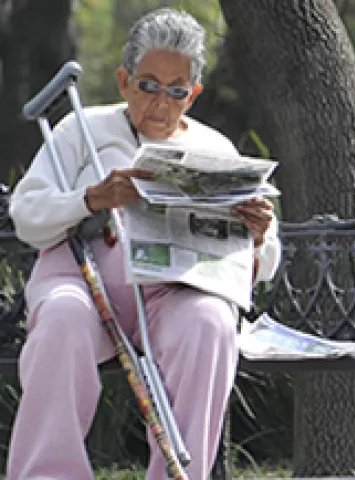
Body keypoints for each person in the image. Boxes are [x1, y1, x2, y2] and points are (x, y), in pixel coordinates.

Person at [7, 8, 281, 479]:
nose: (160, 102)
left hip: (172, 294)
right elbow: (28, 216)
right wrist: (92, 198)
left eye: (176, 90)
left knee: (211, 323)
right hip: (84, 282)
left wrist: (258, 235)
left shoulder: (216, 149)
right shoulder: (79, 129)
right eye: (148, 84)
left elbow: (267, 260)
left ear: (192, 95)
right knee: (62, 320)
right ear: (124, 81)